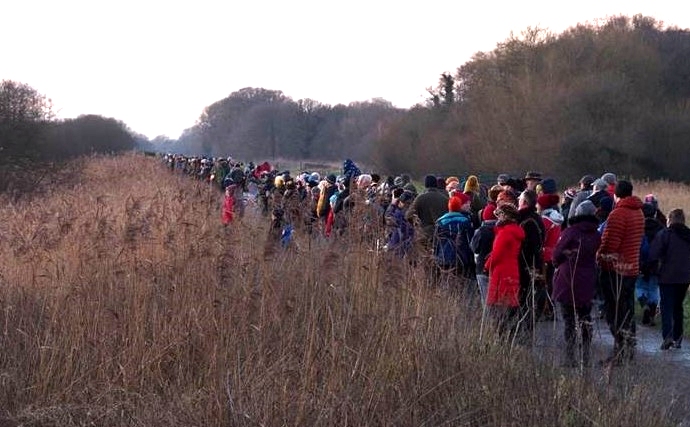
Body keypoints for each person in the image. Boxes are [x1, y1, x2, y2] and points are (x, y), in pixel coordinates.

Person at [596, 180, 644, 366]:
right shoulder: (638, 212)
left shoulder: (617, 214)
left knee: (614, 311)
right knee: (627, 310)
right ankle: (628, 348)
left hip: (615, 269)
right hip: (632, 267)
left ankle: (620, 351)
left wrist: (599, 255)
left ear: (615, 195)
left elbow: (610, 243)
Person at [552, 200, 601, 367]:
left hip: (568, 278)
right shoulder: (596, 234)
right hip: (587, 280)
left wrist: (560, 260)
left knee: (569, 321)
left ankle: (570, 357)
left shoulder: (571, 231)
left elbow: (557, 253)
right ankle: (585, 355)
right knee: (585, 319)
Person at [648, 208, 690, 350]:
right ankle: (678, 338)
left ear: (670, 220)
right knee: (678, 306)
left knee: (667, 307)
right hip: (685, 277)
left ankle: (668, 336)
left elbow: (654, 254)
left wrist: (652, 269)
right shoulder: (688, 235)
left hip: (667, 276)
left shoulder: (665, 234)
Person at [485, 203, 525, 339]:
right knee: (509, 306)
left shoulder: (505, 232)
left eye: (500, 214)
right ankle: (510, 338)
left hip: (501, 271)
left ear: (506, 216)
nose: (498, 217)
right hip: (512, 269)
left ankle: (500, 339)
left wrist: (487, 265)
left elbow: (497, 254)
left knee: (499, 309)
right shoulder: (516, 231)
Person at [433, 193, 475, 281]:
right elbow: (469, 241)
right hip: (461, 258)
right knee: (462, 282)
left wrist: (436, 257)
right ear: (459, 207)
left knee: (446, 281)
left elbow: (436, 242)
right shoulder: (465, 221)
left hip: (444, 257)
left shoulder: (440, 222)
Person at [636, 202, 665, 326]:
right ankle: (652, 311)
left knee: (640, 287)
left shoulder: (637, 228)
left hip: (640, 263)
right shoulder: (661, 229)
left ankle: (644, 304)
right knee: (653, 289)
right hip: (655, 265)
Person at [405, 174, 449, 251]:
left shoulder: (420, 198)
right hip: (442, 235)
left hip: (424, 235)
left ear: (425, 184)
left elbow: (408, 216)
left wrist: (417, 226)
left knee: (425, 259)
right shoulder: (445, 199)